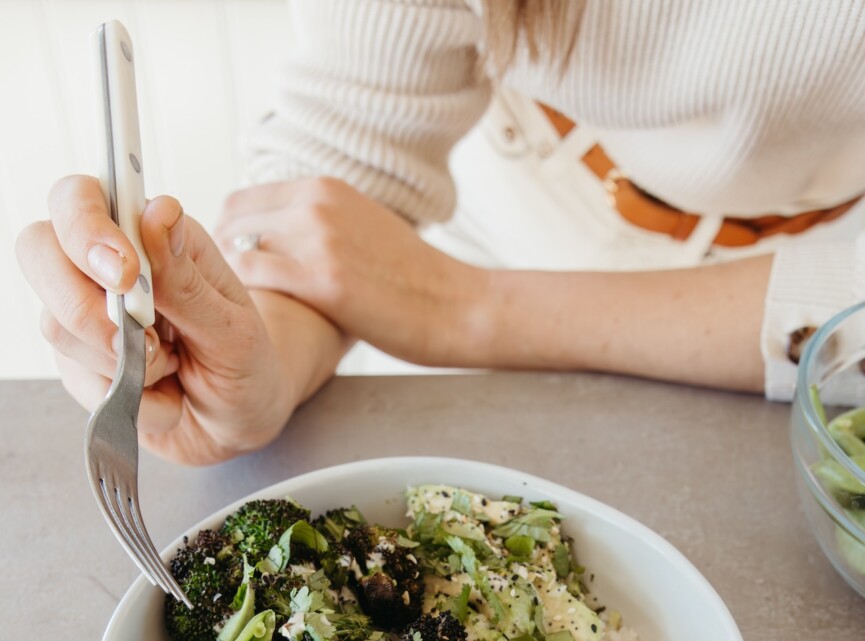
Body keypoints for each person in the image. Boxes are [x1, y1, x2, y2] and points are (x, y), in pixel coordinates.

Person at [15, 0, 865, 466]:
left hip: (828, 278)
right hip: (494, 209)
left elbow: (421, 291)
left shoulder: (438, 298)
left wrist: (465, 309)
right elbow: (353, 144)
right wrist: (255, 360)